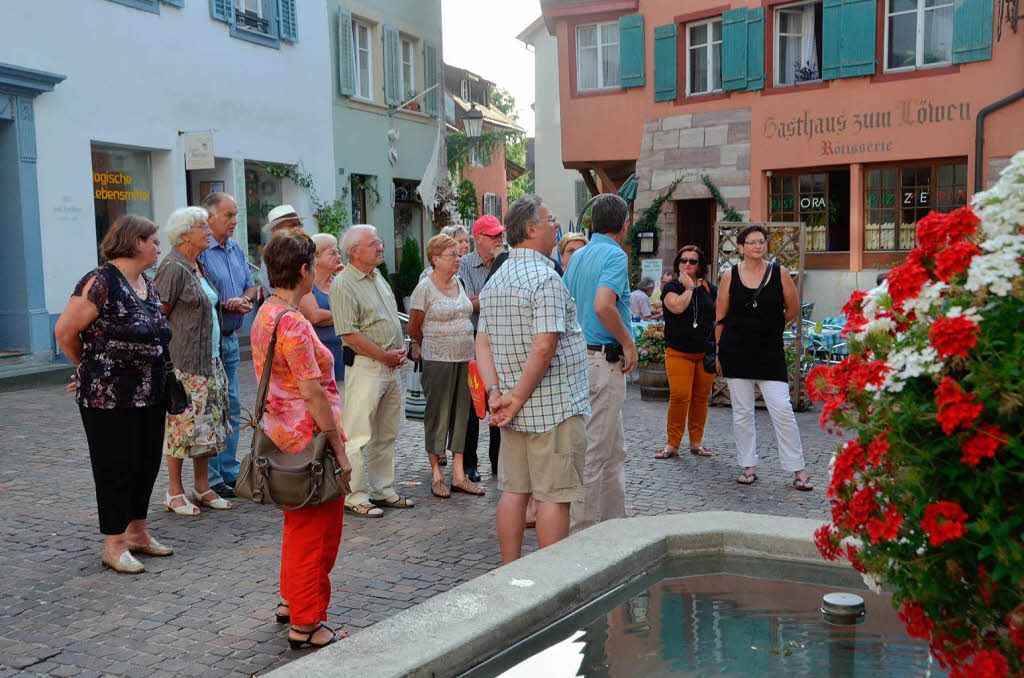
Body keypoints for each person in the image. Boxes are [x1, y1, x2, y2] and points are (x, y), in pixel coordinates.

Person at [250, 230, 353, 650]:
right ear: (305, 271)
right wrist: (340, 448)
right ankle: (307, 623)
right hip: (309, 441)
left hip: (283, 436)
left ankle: (294, 603)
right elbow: (311, 390)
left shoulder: (267, 312)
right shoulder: (291, 320)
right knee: (318, 532)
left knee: (298, 528)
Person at [55, 215, 174, 574]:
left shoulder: (146, 284)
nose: (158, 247)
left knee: (146, 462)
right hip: (108, 394)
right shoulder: (100, 281)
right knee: (115, 466)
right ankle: (114, 545)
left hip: (150, 391)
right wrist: (87, 367)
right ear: (136, 242)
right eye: (154, 240)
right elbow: (65, 332)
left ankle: (138, 533)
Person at [475, 195, 590, 564]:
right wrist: (516, 398)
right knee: (554, 498)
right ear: (530, 229)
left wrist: (496, 393)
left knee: (514, 493)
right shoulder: (546, 278)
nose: (556, 225)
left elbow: (483, 341)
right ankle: (549, 582)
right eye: (550, 219)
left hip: (511, 407)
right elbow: (544, 348)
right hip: (550, 408)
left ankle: (510, 572)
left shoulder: (496, 279)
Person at [715, 225, 813, 490]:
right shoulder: (729, 275)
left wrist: (770, 326)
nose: (758, 246)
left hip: (769, 352)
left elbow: (792, 308)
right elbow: (720, 316)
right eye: (752, 242)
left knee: (782, 409)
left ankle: (798, 469)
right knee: (742, 412)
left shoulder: (779, 273)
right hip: (735, 350)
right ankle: (748, 465)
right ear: (741, 247)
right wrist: (717, 350)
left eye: (761, 241)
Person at [563, 193, 637, 532]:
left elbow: (568, 303)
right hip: (603, 361)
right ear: (624, 225)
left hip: (582, 357)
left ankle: (614, 525)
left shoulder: (578, 256)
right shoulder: (614, 255)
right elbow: (603, 305)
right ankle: (582, 535)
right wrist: (628, 343)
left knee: (613, 451)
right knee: (593, 454)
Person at [329, 224, 414, 517]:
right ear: (355, 251)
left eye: (379, 241)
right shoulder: (342, 284)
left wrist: (399, 350)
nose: (381, 247)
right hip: (367, 367)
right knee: (358, 434)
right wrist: (384, 355)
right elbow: (348, 334)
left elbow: (386, 319)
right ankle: (355, 495)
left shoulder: (376, 276)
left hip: (389, 367)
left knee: (386, 433)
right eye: (374, 243)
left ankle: (383, 490)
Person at [154, 207, 232, 515]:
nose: (209, 231)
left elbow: (205, 305)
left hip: (210, 359)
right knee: (182, 425)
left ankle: (202, 487)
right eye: (202, 226)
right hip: (184, 362)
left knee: (207, 425)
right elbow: (159, 314)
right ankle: (174, 492)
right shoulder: (172, 267)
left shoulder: (197, 264)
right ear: (185, 234)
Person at [408, 235, 483, 498]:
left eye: (459, 254)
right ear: (435, 259)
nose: (458, 259)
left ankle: (460, 475)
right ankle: (437, 474)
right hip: (438, 359)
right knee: (438, 415)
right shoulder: (425, 288)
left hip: (465, 357)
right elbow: (413, 326)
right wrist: (421, 345)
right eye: (452, 254)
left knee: (463, 414)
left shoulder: (460, 283)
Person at [197, 192, 259, 498]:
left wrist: (245, 299)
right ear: (209, 218)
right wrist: (225, 305)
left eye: (236, 215)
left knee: (232, 404)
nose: (235, 221)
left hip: (231, 339)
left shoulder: (234, 248)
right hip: (208, 341)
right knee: (211, 407)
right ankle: (210, 476)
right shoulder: (200, 253)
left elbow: (251, 285)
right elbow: (200, 298)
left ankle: (229, 470)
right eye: (229, 215)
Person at [655, 246, 717, 459]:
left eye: (693, 261)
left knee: (700, 398)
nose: (688, 265)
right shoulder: (671, 286)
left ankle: (696, 443)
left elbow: (720, 314)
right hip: (678, 351)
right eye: (683, 261)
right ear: (677, 264)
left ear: (700, 266)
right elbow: (677, 308)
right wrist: (689, 289)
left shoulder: (709, 288)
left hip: (705, 353)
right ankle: (672, 443)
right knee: (680, 396)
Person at [458, 214, 506, 483]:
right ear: (478, 239)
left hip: (501, 338)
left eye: (500, 234)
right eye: (493, 236)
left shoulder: (506, 260)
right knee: (472, 404)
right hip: (473, 337)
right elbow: (465, 302)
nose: (499, 240)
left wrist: (480, 300)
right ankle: (469, 464)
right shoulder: (464, 264)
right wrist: (484, 300)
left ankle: (499, 463)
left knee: (498, 399)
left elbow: (481, 301)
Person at [300, 233, 345, 384]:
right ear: (316, 258)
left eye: (338, 252)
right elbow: (315, 316)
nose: (338, 256)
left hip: (344, 356)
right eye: (332, 252)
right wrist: (346, 316)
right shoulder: (306, 284)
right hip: (319, 357)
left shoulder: (339, 283)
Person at [259, 204, 309, 297]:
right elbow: (283, 295)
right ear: (276, 230)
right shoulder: (270, 256)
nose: (298, 228)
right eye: (293, 225)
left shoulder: (302, 250)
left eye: (299, 224)